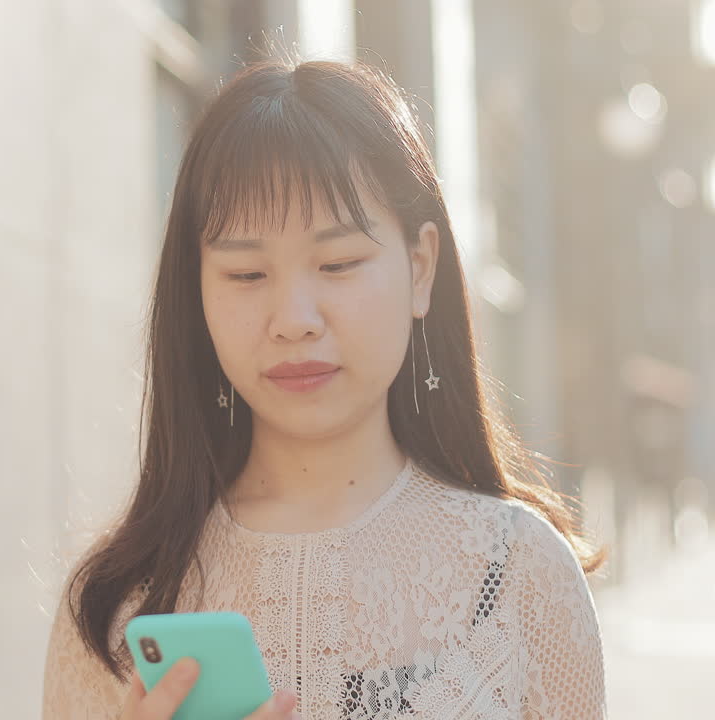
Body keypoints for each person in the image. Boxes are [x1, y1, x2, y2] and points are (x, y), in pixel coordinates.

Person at [40, 56, 610, 720]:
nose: (294, 321)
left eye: (338, 264)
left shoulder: (518, 573)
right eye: (247, 274)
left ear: (419, 268)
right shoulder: (118, 607)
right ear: (196, 294)